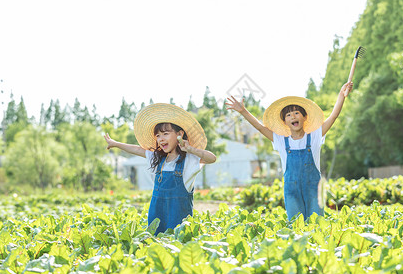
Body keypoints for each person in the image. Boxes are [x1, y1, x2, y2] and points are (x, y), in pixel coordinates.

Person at [226, 82, 353, 220]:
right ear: (285, 122)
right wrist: (243, 111)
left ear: (305, 117)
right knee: (296, 226)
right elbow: (260, 128)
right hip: (292, 192)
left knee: (317, 224)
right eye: (288, 115)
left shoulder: (315, 136)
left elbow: (333, 116)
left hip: (314, 191)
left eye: (297, 113)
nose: (293, 116)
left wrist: (341, 95)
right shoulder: (281, 141)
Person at [104, 103, 216, 235]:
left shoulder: (189, 161)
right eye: (157, 136)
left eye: (165, 134)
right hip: (156, 228)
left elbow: (212, 158)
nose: (161, 139)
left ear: (180, 134)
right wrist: (116, 144)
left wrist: (191, 149)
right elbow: (137, 149)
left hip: (179, 233)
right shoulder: (158, 160)